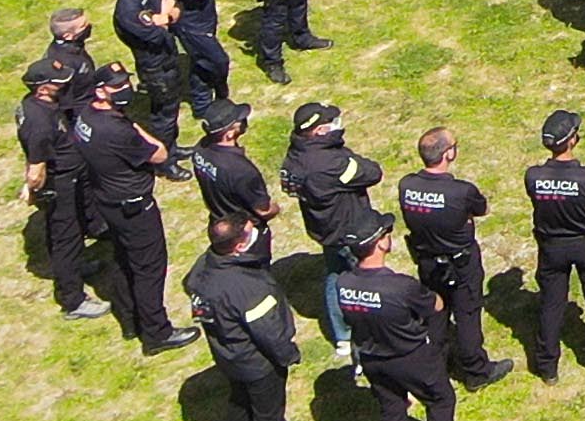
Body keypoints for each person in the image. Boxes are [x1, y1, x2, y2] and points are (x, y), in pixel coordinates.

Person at [328, 202, 481, 421]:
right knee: (440, 402)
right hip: (411, 357)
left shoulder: (344, 283)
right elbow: (434, 305)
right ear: (381, 242)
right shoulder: (399, 286)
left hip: (373, 358)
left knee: (392, 410)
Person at [184, 213, 324, 421]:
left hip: (227, 355)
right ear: (237, 246)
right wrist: (288, 355)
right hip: (257, 363)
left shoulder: (203, 268)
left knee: (239, 401)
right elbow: (269, 333)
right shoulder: (247, 287)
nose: (256, 236)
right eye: (249, 234)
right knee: (268, 418)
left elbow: (190, 286)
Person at [70, 69, 201, 353]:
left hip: (106, 198)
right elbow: (159, 154)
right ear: (100, 91)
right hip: (133, 204)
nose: (125, 88)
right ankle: (156, 333)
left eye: (125, 82)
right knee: (149, 268)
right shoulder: (117, 129)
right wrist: (134, 126)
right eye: (117, 86)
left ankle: (129, 319)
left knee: (122, 258)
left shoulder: (86, 117)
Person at [395, 128, 516, 386]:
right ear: (448, 153)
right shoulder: (461, 191)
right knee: (467, 314)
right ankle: (476, 372)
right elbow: (481, 209)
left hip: (427, 261)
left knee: (436, 312)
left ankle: (435, 364)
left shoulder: (407, 185)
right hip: (461, 263)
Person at [280, 102, 385, 376]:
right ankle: (365, 339)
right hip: (348, 230)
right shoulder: (330, 163)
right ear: (319, 130)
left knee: (335, 276)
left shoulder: (295, 156)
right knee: (362, 283)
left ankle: (342, 335)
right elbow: (372, 172)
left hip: (324, 230)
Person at [14, 39, 107, 321]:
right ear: (42, 88)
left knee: (77, 227)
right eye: (59, 82)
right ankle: (73, 299)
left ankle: (79, 264)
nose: (65, 85)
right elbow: (36, 166)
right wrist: (32, 189)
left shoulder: (44, 105)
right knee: (65, 237)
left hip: (73, 177)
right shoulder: (38, 122)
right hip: (61, 183)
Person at [525, 110, 585, 379]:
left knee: (551, 304)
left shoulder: (533, 176)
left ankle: (547, 366)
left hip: (551, 246)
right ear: (572, 141)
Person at [188, 100, 279, 269]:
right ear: (229, 134)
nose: (244, 121)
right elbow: (263, 210)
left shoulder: (200, 149)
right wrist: (276, 208)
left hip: (219, 223)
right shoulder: (241, 170)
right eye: (239, 120)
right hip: (244, 234)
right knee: (255, 275)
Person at [114, 0, 187, 148]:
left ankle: (173, 148)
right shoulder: (129, 6)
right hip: (155, 66)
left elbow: (174, 4)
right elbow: (155, 35)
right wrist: (165, 14)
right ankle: (166, 159)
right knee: (164, 114)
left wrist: (165, 18)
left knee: (171, 107)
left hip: (167, 57)